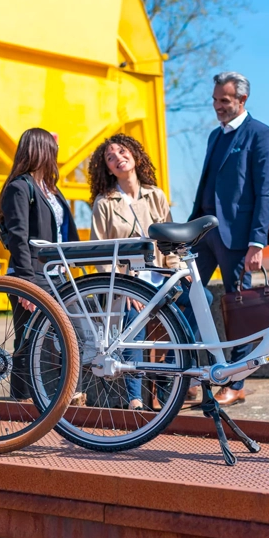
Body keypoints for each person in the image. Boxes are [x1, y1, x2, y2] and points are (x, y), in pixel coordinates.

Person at [89, 133, 210, 410]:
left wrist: (181, 269)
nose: (118, 158)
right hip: (129, 281)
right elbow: (101, 253)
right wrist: (122, 286)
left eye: (122, 151)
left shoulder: (155, 195)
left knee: (203, 299)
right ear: (107, 168)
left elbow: (172, 238)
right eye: (110, 157)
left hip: (161, 277)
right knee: (133, 316)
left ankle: (169, 374)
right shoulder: (104, 203)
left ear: (134, 155)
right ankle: (134, 395)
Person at [189, 71, 269, 407]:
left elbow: (265, 192)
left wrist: (257, 242)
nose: (217, 107)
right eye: (214, 101)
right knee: (189, 300)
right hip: (204, 232)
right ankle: (192, 378)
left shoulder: (261, 135)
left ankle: (236, 382)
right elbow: (205, 187)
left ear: (242, 100)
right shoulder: (215, 136)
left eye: (223, 101)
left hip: (238, 238)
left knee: (237, 308)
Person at [0, 128, 80, 402]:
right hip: (31, 272)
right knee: (29, 339)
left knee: (64, 334)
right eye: (53, 149)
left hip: (56, 273)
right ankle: (23, 399)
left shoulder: (52, 191)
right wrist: (26, 283)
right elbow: (18, 236)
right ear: (41, 150)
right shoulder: (19, 187)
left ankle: (46, 395)